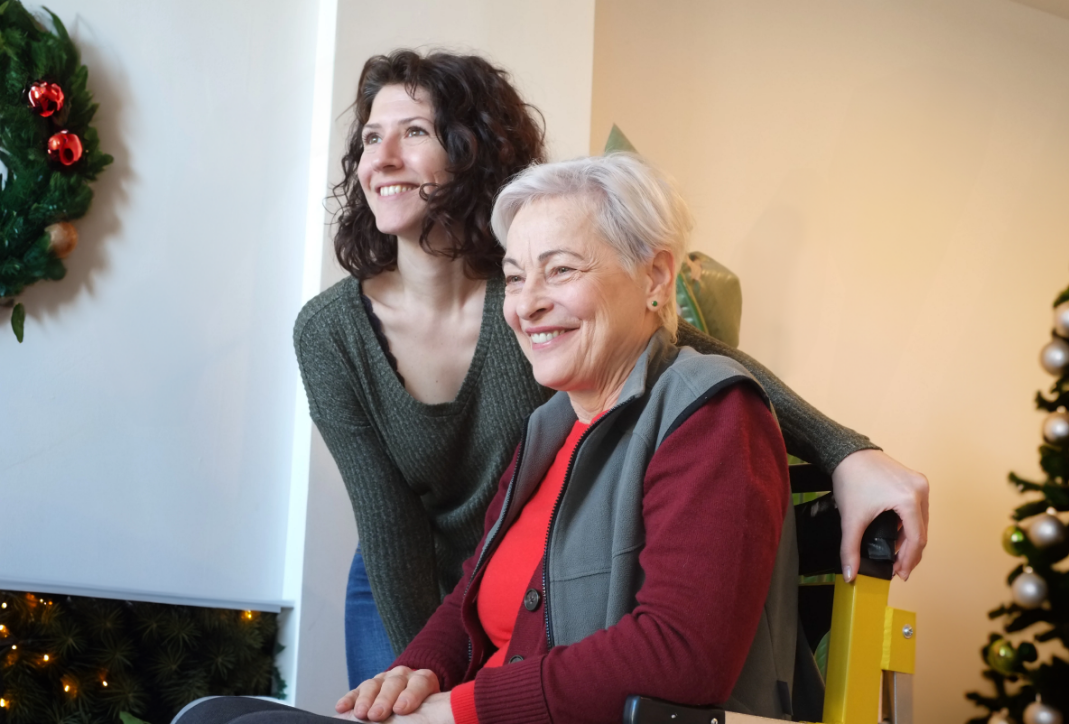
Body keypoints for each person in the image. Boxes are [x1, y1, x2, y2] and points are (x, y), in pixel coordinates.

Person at [291, 49, 929, 691]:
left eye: (415, 132)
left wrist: (847, 452)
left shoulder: (541, 316)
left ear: (470, 147)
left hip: (557, 564)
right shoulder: (334, 333)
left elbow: (697, 358)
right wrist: (419, 681)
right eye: (371, 137)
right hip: (429, 578)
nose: (382, 158)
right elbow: (390, 526)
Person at [177, 152, 805, 724]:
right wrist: (413, 674)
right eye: (515, 276)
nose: (526, 305)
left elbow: (681, 654)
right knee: (211, 718)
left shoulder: (711, 414)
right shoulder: (551, 427)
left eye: (559, 271)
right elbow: (468, 603)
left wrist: (460, 709)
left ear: (654, 278)